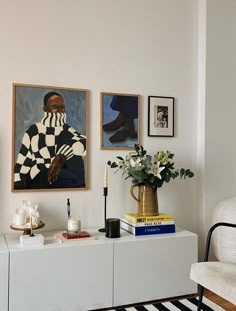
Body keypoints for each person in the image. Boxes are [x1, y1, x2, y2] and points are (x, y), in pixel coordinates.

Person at [14, 91, 86, 189]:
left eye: (62, 107)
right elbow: (22, 165)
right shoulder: (34, 131)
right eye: (55, 107)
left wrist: (61, 156)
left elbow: (85, 143)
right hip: (38, 182)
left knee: (75, 160)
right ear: (45, 109)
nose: (60, 111)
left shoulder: (68, 130)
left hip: (64, 182)